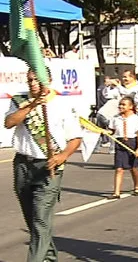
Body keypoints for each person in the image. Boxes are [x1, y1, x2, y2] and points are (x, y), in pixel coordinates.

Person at [4, 67, 82, 262]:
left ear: (48, 80)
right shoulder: (20, 101)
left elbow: (75, 138)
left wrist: (62, 156)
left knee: (40, 219)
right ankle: (48, 257)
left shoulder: (62, 104)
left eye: (36, 80)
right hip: (23, 165)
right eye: (29, 80)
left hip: (48, 167)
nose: (32, 84)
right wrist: (32, 105)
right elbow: (9, 122)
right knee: (33, 220)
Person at [107, 96, 138, 199]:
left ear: (131, 106)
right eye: (120, 104)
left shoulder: (135, 118)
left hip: (132, 142)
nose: (121, 106)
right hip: (120, 143)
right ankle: (116, 192)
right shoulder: (115, 118)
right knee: (119, 168)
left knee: (133, 168)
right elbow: (112, 131)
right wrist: (105, 132)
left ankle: (137, 186)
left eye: (124, 104)